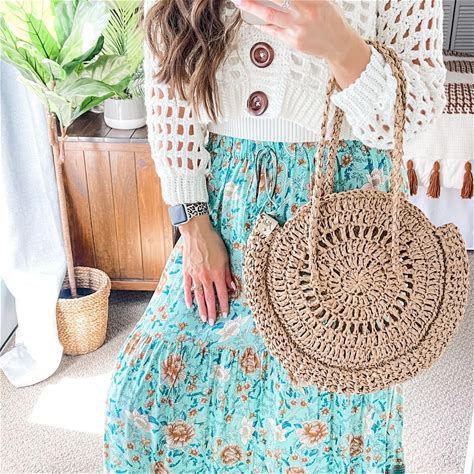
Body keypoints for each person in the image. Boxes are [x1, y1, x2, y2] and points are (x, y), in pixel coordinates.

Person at [103, 0, 447, 472]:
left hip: (344, 218)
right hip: (226, 203)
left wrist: (341, 47)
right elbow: (169, 86)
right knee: (143, 408)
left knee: (318, 429)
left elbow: (416, 112)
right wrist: (193, 223)